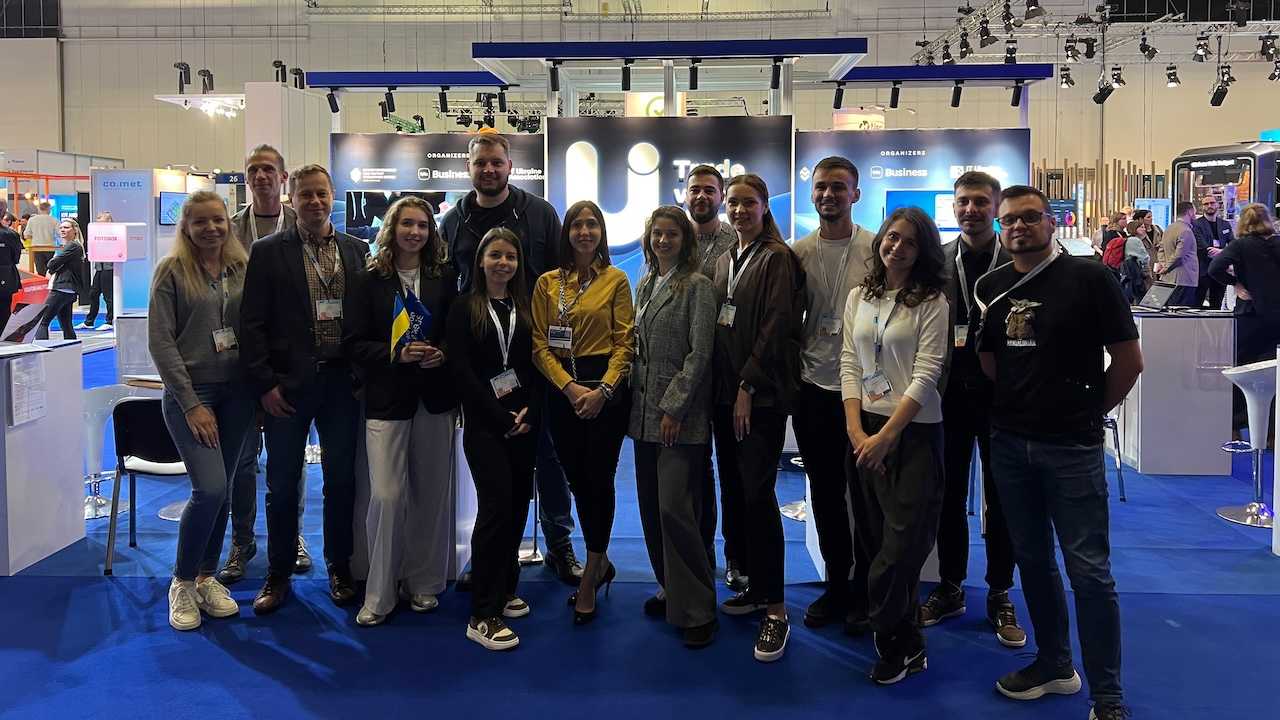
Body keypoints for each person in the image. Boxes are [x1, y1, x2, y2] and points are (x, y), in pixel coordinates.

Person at [977, 185, 1141, 720]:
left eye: (1029, 217)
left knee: (1089, 572)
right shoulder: (992, 286)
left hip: (1072, 447)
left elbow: (1128, 361)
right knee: (1032, 560)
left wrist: (1088, 413)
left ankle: (1107, 697)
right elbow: (990, 361)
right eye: (1009, 220)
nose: (1018, 227)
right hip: (1009, 443)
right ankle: (1053, 664)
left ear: (1052, 223)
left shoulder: (1091, 278)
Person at [440, 133, 581, 585]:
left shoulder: (539, 213)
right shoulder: (453, 221)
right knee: (491, 469)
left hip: (534, 352)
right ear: (469, 168)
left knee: (549, 457)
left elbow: (563, 278)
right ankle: (493, 555)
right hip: (481, 359)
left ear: (509, 167)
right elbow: (445, 285)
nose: (489, 170)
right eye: (481, 163)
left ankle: (559, 544)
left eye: (496, 163)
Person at [240, 164, 369, 615]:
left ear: (333, 196)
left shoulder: (357, 250)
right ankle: (277, 573)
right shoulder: (267, 252)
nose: (315, 202)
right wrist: (265, 385)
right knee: (281, 484)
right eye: (306, 195)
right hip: (287, 388)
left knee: (342, 481)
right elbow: (251, 325)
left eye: (321, 194)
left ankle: (339, 565)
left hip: (341, 386)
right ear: (291, 199)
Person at [839, 207, 948, 684]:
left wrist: (886, 437)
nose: (897, 247)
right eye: (891, 237)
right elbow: (850, 363)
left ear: (923, 250)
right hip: (864, 430)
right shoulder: (860, 296)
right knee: (873, 538)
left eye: (909, 241)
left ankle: (888, 629)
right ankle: (905, 643)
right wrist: (857, 432)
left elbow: (927, 374)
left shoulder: (932, 301)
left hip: (913, 432)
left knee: (901, 549)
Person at [920, 171, 1025, 648]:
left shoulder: (1018, 261)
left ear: (996, 207)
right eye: (963, 201)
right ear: (953, 206)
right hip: (948, 396)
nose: (971, 210)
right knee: (947, 496)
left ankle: (1000, 591)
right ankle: (951, 586)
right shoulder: (937, 261)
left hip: (1004, 396)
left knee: (1002, 499)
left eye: (981, 202)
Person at [344, 196, 457, 626]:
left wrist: (441, 354)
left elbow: (455, 334)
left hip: (434, 398)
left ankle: (424, 582)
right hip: (387, 400)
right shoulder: (368, 280)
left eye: (423, 225)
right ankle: (380, 592)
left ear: (431, 232)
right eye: (407, 224)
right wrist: (395, 354)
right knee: (387, 496)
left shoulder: (444, 278)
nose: (415, 232)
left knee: (431, 495)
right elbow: (354, 344)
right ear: (392, 228)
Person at [148, 191, 255, 631]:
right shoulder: (171, 271)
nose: (211, 228)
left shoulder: (242, 268)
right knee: (209, 489)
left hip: (239, 395)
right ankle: (182, 581)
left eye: (218, 220)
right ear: (186, 227)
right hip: (193, 395)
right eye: (200, 222)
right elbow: (161, 342)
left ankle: (207, 577)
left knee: (225, 491)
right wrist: (191, 404)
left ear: (228, 223)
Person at [711, 174, 804, 662]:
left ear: (765, 207)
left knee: (758, 496)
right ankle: (753, 585)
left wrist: (747, 385)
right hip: (725, 397)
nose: (739, 210)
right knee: (736, 492)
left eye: (749, 202)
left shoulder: (776, 258)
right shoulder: (728, 257)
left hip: (758, 398)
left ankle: (776, 610)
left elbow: (777, 325)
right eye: (733, 202)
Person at [531, 200, 634, 624]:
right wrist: (570, 388)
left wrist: (602, 391)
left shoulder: (616, 279)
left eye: (592, 224)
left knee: (599, 481)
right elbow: (539, 345)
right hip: (562, 391)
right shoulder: (547, 283)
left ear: (601, 232)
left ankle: (591, 573)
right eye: (577, 225)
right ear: (567, 232)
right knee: (576, 480)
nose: (585, 232)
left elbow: (625, 343)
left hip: (605, 392)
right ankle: (600, 559)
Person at [789, 156, 875, 634]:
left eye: (839, 187)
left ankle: (866, 589)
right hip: (814, 388)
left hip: (866, 392)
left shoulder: (875, 248)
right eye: (822, 187)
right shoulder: (798, 252)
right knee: (824, 493)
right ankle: (836, 585)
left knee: (865, 495)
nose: (829, 195)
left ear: (855, 194)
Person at [447, 228, 543, 650]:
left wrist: (531, 411)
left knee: (518, 507)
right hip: (486, 425)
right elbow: (461, 371)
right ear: (481, 261)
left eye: (511, 256)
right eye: (496, 255)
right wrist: (498, 415)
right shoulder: (464, 307)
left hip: (524, 423)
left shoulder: (526, 306)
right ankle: (482, 614)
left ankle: (504, 588)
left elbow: (537, 364)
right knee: (495, 509)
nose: (503, 263)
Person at [217, 144, 306, 586]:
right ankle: (242, 541)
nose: (261, 176)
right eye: (253, 170)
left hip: (289, 361)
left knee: (290, 460)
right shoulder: (231, 229)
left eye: (269, 169)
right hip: (240, 358)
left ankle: (293, 537)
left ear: (283, 177)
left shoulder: (301, 223)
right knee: (243, 460)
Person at [629, 206, 719, 647]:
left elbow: (700, 354)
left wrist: (675, 408)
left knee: (676, 510)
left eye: (672, 234)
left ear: (686, 240)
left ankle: (699, 609)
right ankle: (672, 588)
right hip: (643, 414)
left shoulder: (697, 285)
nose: (663, 241)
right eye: (657, 234)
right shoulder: (646, 282)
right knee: (651, 508)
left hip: (678, 418)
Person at [682, 163, 743, 592]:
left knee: (734, 473)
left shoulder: (736, 242)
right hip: (687, 377)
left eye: (709, 190)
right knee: (694, 472)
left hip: (726, 375)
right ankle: (700, 553)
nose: (701, 197)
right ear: (684, 195)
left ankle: (737, 556)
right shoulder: (673, 240)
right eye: (694, 190)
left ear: (720, 196)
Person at [1209, 204, 1280, 432]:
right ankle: (1272, 431)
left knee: (1242, 370)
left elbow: (1215, 268)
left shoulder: (1241, 245)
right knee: (1275, 373)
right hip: (1276, 318)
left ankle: (1237, 424)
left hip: (1249, 316)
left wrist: (1236, 284)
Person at [35, 218, 87, 340]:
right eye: (61, 228)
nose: (63, 230)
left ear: (75, 230)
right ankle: (72, 348)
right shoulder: (72, 246)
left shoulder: (73, 246)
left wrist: (53, 266)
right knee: (66, 325)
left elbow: (51, 264)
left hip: (62, 288)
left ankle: (42, 349)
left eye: (66, 227)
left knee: (42, 320)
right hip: (68, 289)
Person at [1154, 202, 1200, 307]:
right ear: (1190, 212)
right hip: (1184, 279)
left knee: (1170, 309)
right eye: (1194, 212)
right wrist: (1166, 269)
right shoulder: (1186, 231)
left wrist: (1164, 265)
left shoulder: (1169, 228)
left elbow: (1161, 250)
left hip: (1169, 279)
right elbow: (1179, 256)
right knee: (1181, 311)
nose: (1195, 215)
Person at [77, 211, 115, 332]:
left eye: (101, 222)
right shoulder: (96, 234)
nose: (99, 225)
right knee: (93, 294)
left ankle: (110, 321)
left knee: (108, 296)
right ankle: (89, 321)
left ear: (109, 222)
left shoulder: (114, 235)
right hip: (99, 267)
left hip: (109, 268)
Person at [1194, 194, 1234, 309]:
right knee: (1196, 304)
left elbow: (1233, 244)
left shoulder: (1225, 224)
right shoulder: (1196, 224)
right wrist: (1223, 252)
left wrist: (1221, 251)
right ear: (1202, 207)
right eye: (1206, 204)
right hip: (1202, 270)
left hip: (1220, 269)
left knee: (1217, 304)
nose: (1209, 206)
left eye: (1212, 203)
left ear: (1217, 205)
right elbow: (1203, 247)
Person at [23, 201, 58, 275]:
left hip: (36, 248)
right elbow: (60, 234)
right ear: (49, 209)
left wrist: (35, 236)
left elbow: (26, 235)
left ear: (39, 209)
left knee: (40, 271)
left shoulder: (32, 220)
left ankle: (42, 282)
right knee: (51, 270)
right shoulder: (54, 220)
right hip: (50, 247)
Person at [0, 213, 21, 337]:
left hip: (5, 277)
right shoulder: (11, 235)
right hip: (6, 277)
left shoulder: (9, 234)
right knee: (4, 312)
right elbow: (16, 258)